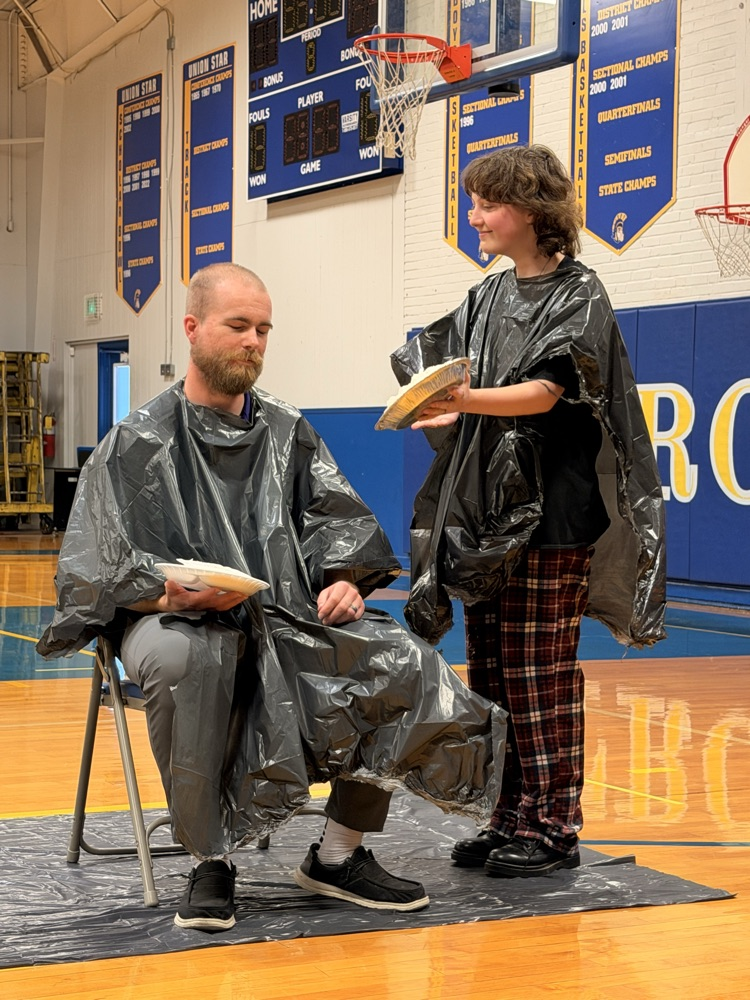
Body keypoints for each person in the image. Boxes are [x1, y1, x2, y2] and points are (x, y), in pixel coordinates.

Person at [38, 263, 505, 931]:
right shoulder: (135, 443)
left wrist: (344, 579)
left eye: (263, 329)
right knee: (190, 660)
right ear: (193, 328)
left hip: (280, 613)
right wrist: (167, 590)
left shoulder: (287, 432)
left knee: (394, 656)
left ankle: (338, 855)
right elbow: (93, 568)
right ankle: (211, 858)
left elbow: (335, 522)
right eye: (238, 326)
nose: (254, 341)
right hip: (166, 619)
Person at [388, 145, 666, 879]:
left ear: (533, 211)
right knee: (492, 673)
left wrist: (461, 400)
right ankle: (505, 813)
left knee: (539, 672)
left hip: (552, 516)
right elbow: (434, 359)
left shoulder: (580, 293)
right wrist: (432, 401)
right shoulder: (486, 296)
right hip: (488, 514)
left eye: (487, 203)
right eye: (472, 201)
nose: (474, 215)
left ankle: (551, 825)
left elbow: (546, 392)